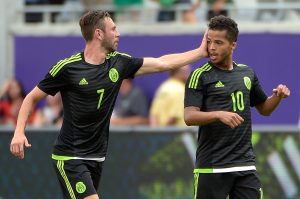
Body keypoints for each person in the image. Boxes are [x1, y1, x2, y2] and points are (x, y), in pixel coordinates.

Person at [10, 10, 208, 199]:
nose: (118, 33)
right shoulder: (67, 67)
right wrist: (19, 132)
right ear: (98, 34)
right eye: (113, 29)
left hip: (97, 157)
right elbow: (31, 98)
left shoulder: (119, 63)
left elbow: (162, 63)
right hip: (70, 157)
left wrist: (200, 53)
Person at [184, 15, 290, 199]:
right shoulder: (199, 75)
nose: (212, 47)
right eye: (209, 42)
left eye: (218, 42)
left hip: (245, 166)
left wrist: (277, 96)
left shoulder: (247, 73)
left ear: (233, 45)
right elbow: (189, 117)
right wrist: (219, 115)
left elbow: (264, 109)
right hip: (211, 167)